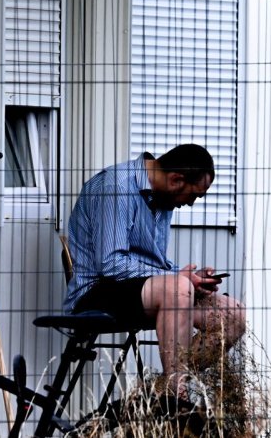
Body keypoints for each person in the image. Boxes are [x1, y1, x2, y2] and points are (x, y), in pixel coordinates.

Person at [64, 144, 245, 400]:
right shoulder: (117, 187)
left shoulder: (161, 197)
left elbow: (153, 264)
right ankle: (176, 397)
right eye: (194, 195)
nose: (191, 203)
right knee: (177, 288)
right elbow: (110, 264)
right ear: (175, 180)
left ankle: (159, 390)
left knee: (233, 314)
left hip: (140, 290)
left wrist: (190, 277)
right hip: (96, 291)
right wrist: (177, 280)